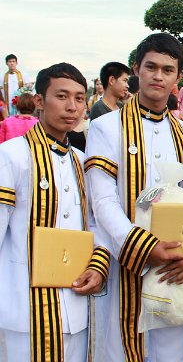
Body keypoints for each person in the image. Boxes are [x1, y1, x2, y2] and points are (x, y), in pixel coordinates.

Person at [85, 33, 183, 362]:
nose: (158, 76)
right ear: (136, 69)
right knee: (122, 349)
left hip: (174, 262)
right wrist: (141, 245)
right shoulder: (105, 127)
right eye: (150, 67)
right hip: (126, 257)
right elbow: (102, 201)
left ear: (178, 77)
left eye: (167, 70)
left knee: (172, 349)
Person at [0, 62, 109, 361]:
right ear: (39, 101)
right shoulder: (11, 155)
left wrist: (99, 266)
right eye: (61, 96)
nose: (72, 106)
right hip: (24, 307)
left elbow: (96, 225)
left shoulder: (82, 160)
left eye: (78, 98)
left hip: (77, 305)